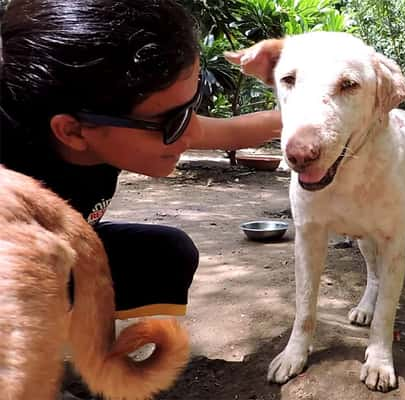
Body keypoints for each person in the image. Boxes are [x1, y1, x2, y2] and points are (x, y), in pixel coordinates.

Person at [0, 0, 280, 395]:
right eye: (171, 121)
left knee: (164, 253)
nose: (190, 132)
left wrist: (320, 113)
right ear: (72, 132)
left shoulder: (109, 117)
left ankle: (103, 375)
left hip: (57, 259)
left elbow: (236, 130)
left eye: (193, 103)